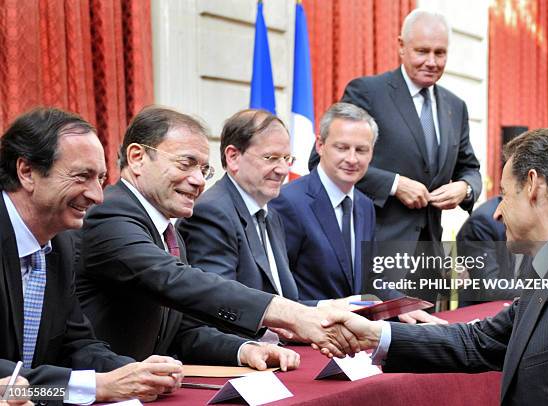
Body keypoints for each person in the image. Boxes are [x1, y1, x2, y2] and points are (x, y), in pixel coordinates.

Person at [323, 128, 548, 405]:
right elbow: (479, 342)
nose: (497, 212)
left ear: (534, 186)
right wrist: (375, 334)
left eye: (505, 194)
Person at [75, 106, 358, 362]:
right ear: (137, 157)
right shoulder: (109, 213)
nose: (198, 180)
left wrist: (244, 349)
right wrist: (290, 314)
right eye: (186, 164)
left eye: (203, 169)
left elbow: (183, 331)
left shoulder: (168, 231)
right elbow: (174, 280)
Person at [0, 108, 183, 404]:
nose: (98, 195)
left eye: (100, 178)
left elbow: (76, 343)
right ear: (26, 171)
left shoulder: (61, 243)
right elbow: (9, 384)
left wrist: (133, 372)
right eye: (82, 176)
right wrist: (96, 386)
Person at [309, 9, 481, 244]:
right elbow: (323, 161)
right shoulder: (368, 93)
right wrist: (393, 185)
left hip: (429, 258)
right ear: (401, 46)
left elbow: (469, 168)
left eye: (439, 53)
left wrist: (465, 188)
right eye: (422, 51)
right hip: (374, 250)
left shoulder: (456, 107)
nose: (431, 62)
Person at [270, 103, 445, 324]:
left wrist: (401, 305)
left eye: (361, 150)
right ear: (320, 145)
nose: (352, 159)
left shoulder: (365, 204)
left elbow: (370, 276)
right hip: (306, 341)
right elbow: (277, 291)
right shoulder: (287, 202)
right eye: (342, 148)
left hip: (355, 342)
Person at [177, 109, 299, 301]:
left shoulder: (271, 216)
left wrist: (330, 308)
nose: (283, 170)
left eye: (287, 158)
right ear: (233, 157)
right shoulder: (211, 213)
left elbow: (287, 301)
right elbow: (219, 306)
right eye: (271, 158)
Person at [456, 195, 532, 304]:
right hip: (481, 312)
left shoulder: (536, 218)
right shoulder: (483, 223)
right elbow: (489, 288)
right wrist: (538, 289)